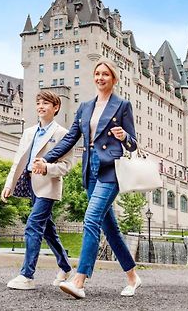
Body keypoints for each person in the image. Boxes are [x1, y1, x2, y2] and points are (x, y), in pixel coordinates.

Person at [34, 60, 141, 299]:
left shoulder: (123, 105)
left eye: (105, 74)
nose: (100, 77)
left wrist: (124, 137)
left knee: (91, 219)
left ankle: (79, 280)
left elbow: (133, 145)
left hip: (110, 170)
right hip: (89, 170)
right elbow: (70, 139)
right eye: (97, 73)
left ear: (114, 79)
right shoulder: (84, 107)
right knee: (110, 229)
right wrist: (46, 160)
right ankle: (133, 277)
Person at [1, 91, 74, 290]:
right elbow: (18, 161)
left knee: (33, 225)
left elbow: (67, 166)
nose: (41, 106)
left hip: (48, 187)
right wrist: (9, 184)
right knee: (48, 231)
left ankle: (27, 275)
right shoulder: (28, 132)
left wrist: (47, 168)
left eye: (46, 103)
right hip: (30, 185)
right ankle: (66, 266)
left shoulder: (62, 134)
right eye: (38, 103)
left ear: (56, 107)